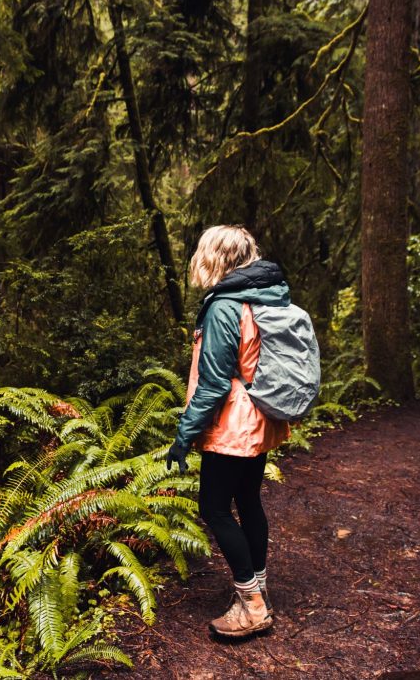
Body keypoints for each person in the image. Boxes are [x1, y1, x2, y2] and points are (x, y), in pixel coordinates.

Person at [165, 225, 291, 638]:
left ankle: (252, 606)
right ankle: (261, 590)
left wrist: (184, 434)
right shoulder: (265, 294)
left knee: (214, 508)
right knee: (248, 502)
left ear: (215, 257)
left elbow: (215, 383)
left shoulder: (224, 306)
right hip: (260, 416)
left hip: (232, 423)